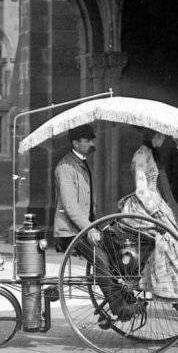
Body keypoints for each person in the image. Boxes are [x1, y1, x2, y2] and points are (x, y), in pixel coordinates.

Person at [53, 123, 138, 322]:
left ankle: (123, 298)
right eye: (88, 140)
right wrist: (89, 228)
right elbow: (71, 208)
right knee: (100, 259)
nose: (92, 143)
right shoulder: (65, 168)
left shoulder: (81, 162)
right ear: (75, 142)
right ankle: (118, 307)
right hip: (70, 232)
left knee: (117, 248)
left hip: (85, 228)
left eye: (92, 139)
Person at [118, 129, 178, 302]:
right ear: (150, 136)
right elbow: (141, 189)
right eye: (159, 135)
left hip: (156, 202)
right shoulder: (140, 156)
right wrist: (156, 211)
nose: (162, 139)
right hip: (144, 206)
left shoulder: (152, 154)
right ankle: (172, 289)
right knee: (172, 241)